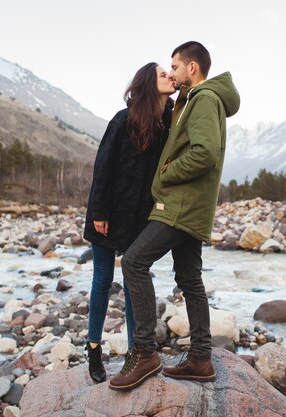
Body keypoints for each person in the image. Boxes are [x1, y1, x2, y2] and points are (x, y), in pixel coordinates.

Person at [109, 41, 240, 391]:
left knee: (135, 262)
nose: (172, 72)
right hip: (191, 207)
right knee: (190, 279)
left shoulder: (204, 99)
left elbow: (205, 153)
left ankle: (146, 353)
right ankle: (200, 358)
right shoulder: (194, 100)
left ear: (192, 67)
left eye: (176, 66)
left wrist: (167, 171)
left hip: (181, 206)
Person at [83, 62, 175, 383]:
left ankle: (137, 352)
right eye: (164, 74)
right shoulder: (124, 119)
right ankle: (94, 347)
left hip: (140, 217)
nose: (170, 76)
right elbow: (103, 167)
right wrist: (99, 213)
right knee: (102, 281)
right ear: (149, 83)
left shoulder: (168, 122)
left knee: (136, 284)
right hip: (108, 213)